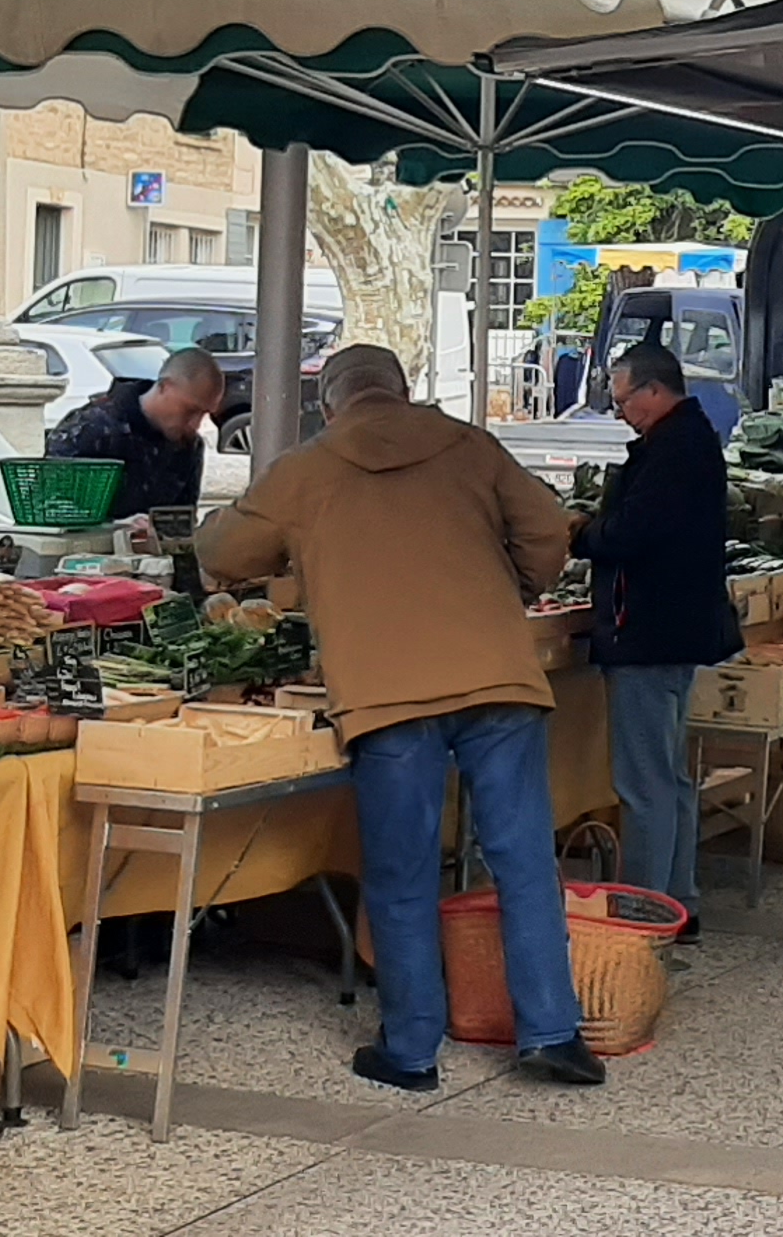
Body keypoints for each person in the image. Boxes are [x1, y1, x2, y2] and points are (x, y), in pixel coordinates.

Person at [193, 345, 607, 1091]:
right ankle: (552, 1032)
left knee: (402, 872)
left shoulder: (306, 468)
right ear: (404, 390)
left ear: (330, 405)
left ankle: (412, 1049)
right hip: (496, 674)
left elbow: (226, 550)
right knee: (522, 860)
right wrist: (512, 589)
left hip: (387, 693)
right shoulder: (470, 445)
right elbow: (548, 528)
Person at [572, 342, 735, 929]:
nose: (622, 414)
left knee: (644, 785)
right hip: (674, 631)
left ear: (654, 390)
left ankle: (645, 913)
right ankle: (679, 901)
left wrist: (582, 534)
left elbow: (631, 533)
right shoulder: (689, 440)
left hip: (649, 633)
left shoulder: (673, 450)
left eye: (624, 402)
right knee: (668, 778)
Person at [45, 345, 223, 524]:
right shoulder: (92, 428)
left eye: (204, 414)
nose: (195, 424)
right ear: (164, 387)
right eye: (190, 410)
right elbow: (50, 510)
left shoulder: (188, 444)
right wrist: (117, 528)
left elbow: (183, 523)